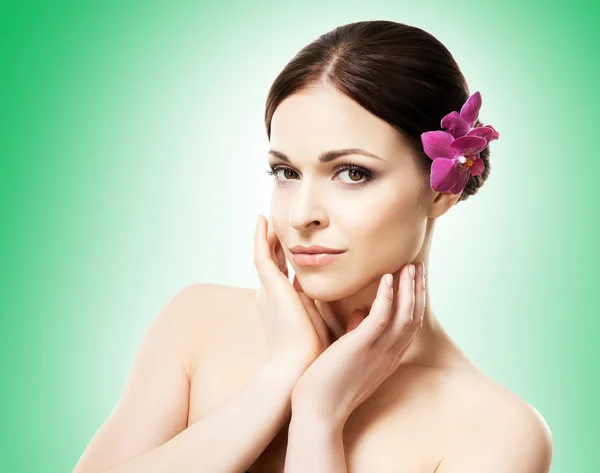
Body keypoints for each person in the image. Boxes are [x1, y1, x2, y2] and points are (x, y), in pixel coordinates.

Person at [72, 20, 552, 473]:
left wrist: (319, 418)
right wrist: (279, 376)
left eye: (352, 173)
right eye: (287, 173)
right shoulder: (198, 324)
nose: (302, 215)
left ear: (441, 190)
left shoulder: (497, 432)